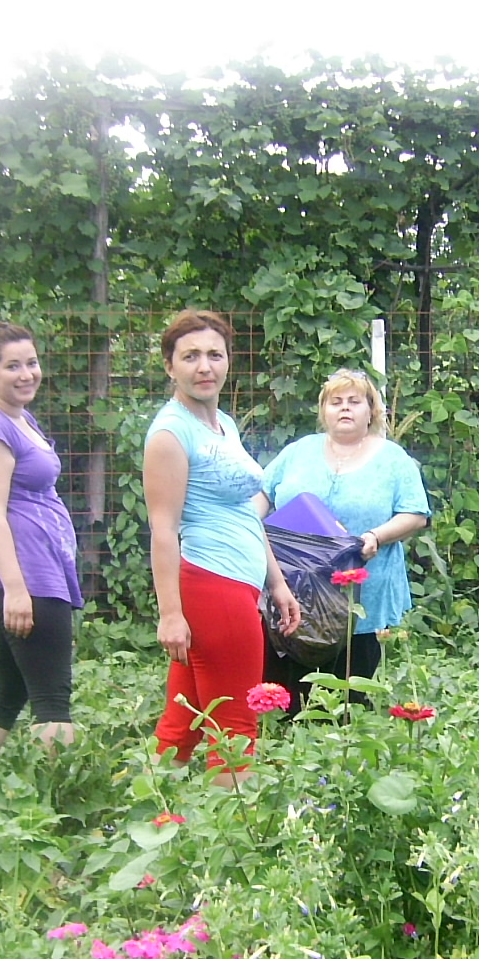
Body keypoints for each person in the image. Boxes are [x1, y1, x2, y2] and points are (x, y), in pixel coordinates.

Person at [144, 310, 302, 762]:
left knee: (185, 719)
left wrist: (276, 582)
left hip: (241, 581)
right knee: (235, 724)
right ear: (169, 366)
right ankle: (236, 830)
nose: (204, 366)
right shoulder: (171, 434)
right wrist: (170, 614)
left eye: (214, 354)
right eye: (190, 356)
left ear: (228, 361)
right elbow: (163, 529)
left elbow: (244, 511)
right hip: (211, 583)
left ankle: (153, 815)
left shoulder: (223, 425)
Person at [257, 368, 430, 710]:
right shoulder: (297, 451)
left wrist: (376, 537)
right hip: (291, 585)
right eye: (336, 402)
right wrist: (247, 524)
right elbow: (260, 496)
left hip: (360, 594)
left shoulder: (393, 459)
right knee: (283, 688)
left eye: (355, 401)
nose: (345, 408)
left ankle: (341, 754)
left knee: (347, 695)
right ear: (324, 411)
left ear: (371, 412)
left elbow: (416, 514)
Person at [0, 322, 81, 770]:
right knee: (53, 699)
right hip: (23, 576)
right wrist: (16, 589)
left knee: (9, 691)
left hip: (35, 569)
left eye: (31, 363)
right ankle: (58, 809)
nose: (26, 374)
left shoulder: (17, 417)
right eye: (13, 366)